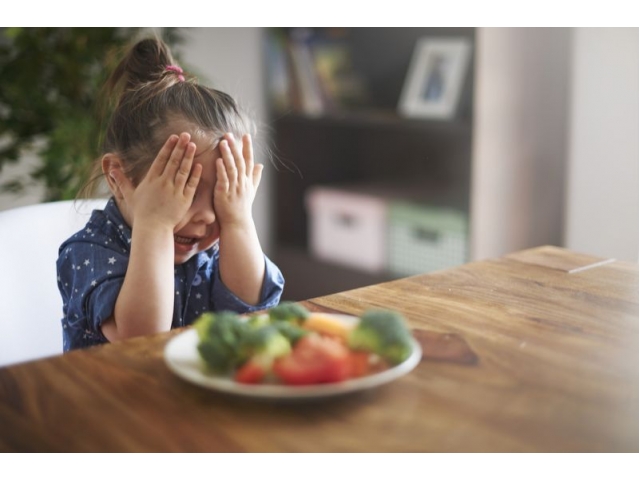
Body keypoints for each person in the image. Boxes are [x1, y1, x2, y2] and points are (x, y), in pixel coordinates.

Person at [57, 37, 284, 351]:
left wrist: (237, 221)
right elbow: (141, 338)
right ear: (118, 178)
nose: (206, 215)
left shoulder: (218, 244)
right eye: (185, 193)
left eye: (221, 197)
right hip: (109, 395)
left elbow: (253, 309)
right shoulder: (89, 251)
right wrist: (156, 226)